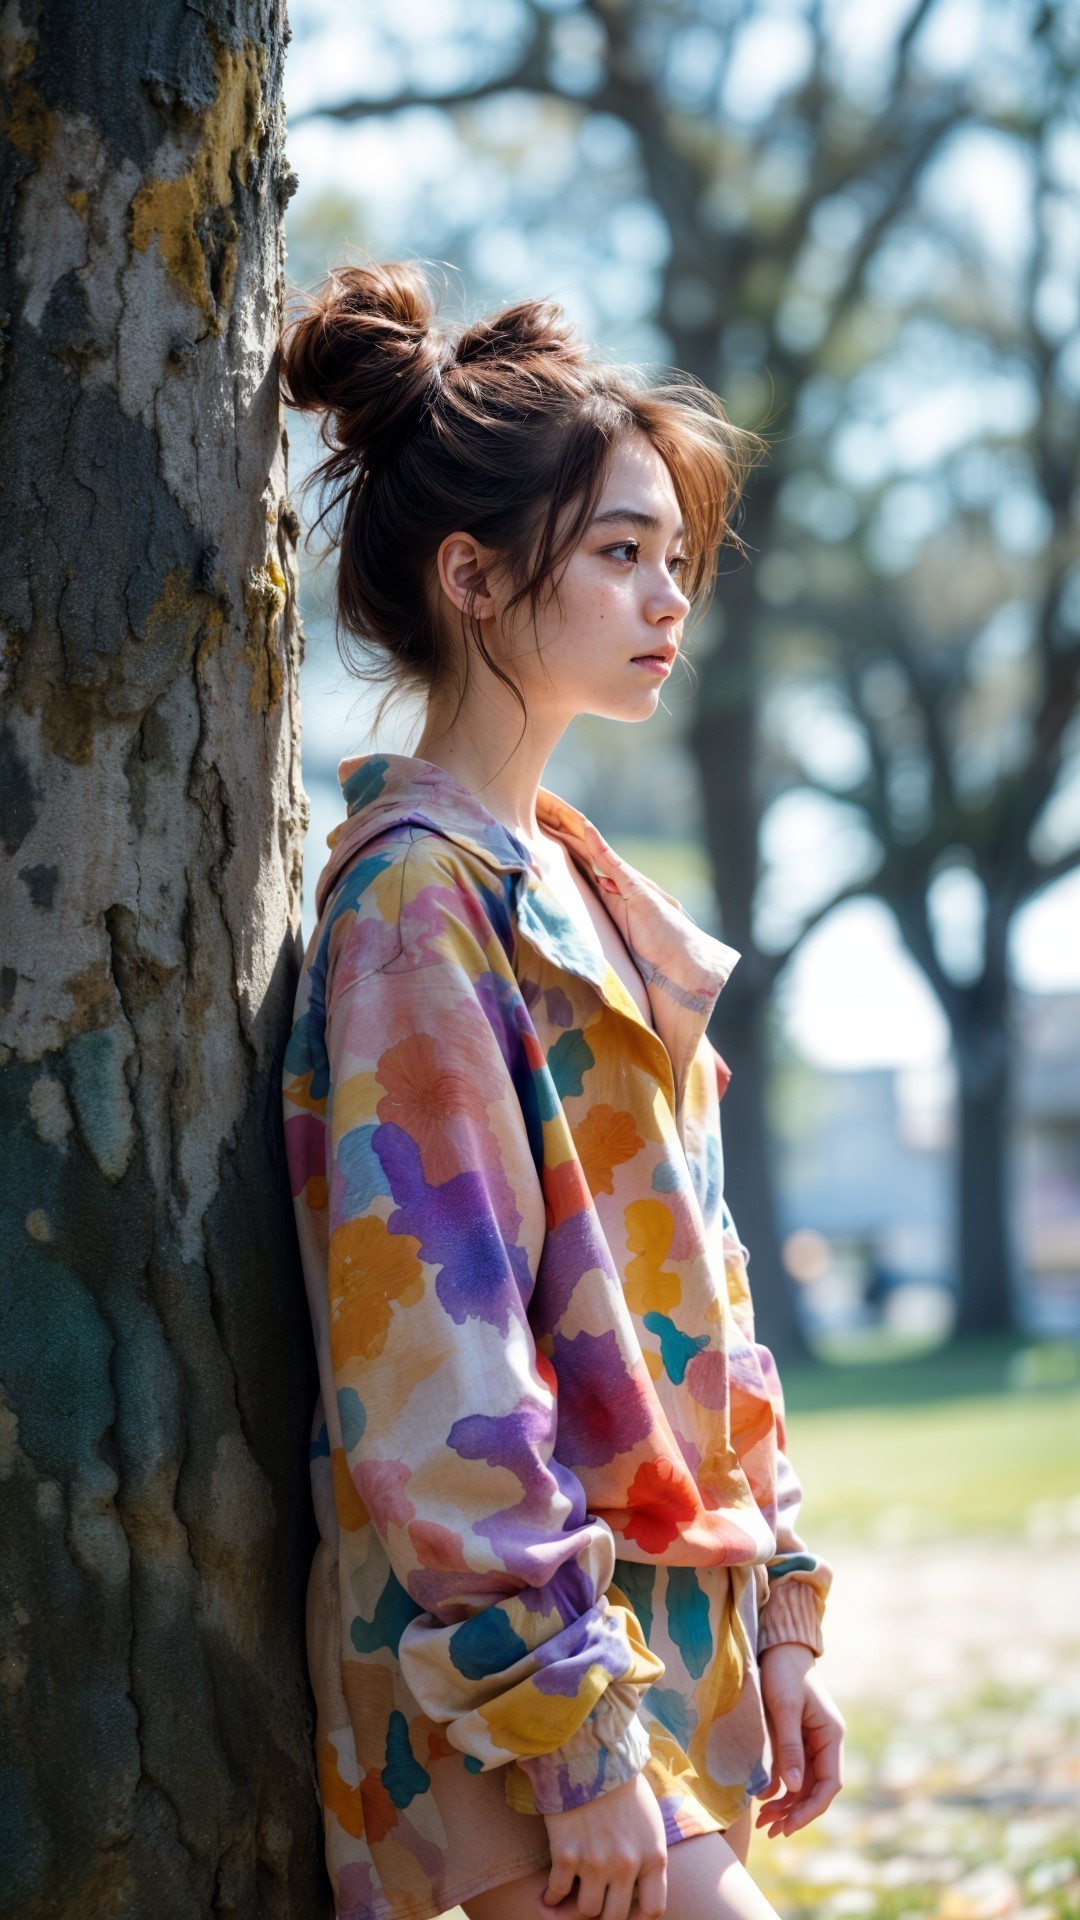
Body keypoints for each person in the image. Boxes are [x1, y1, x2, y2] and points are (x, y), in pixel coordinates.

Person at [279, 259, 844, 1920]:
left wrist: (782, 1609)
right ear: (470, 575)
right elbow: (431, 1346)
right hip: (515, 1697)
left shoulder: (592, 889)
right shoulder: (417, 901)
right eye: (618, 554)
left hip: (666, 1644)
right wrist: (565, 1727)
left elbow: (706, 1279)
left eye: (675, 558)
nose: (669, 598)